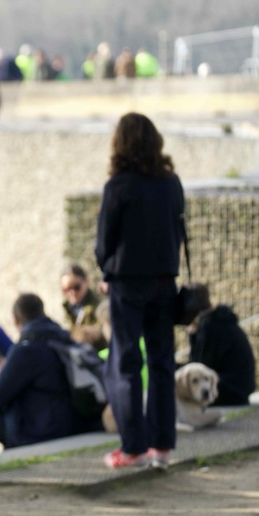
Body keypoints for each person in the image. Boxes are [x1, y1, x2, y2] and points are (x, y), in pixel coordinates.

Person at [95, 112, 185, 470]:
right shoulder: (171, 183)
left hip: (127, 281)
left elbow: (105, 240)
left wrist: (106, 267)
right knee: (162, 361)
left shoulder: (118, 185)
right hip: (165, 279)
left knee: (126, 362)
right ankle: (161, 445)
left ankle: (133, 446)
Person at [0, 294, 96, 448]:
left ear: (16, 320)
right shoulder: (62, 337)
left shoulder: (26, 350)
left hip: (39, 432)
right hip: (71, 424)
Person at [181, 284, 257, 407]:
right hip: (240, 389)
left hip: (232, 392)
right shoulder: (219, 320)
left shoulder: (209, 326)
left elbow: (200, 367)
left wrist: (192, 335)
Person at [61, 264, 107, 351]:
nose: (72, 293)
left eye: (76, 287)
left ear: (86, 282)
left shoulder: (99, 307)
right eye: (66, 290)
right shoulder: (67, 308)